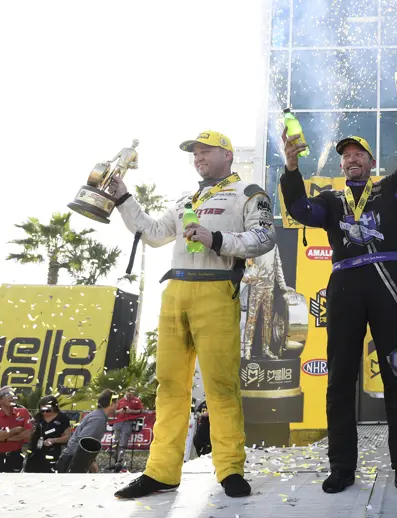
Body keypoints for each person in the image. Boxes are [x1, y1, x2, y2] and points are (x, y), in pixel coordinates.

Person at [108, 130, 277, 499]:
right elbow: (151, 233)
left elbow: (264, 237)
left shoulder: (248, 192)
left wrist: (215, 238)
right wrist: (122, 196)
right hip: (175, 291)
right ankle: (161, 471)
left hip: (216, 289)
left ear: (227, 155)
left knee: (220, 385)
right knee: (169, 386)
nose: (197, 156)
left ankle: (230, 468)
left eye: (205, 150)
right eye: (194, 152)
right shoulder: (187, 197)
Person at [279, 114, 397, 496]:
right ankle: (342, 467)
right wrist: (291, 166)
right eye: (345, 155)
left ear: (371, 161)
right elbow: (298, 209)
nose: (351, 159)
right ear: (341, 164)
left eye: (358, 153)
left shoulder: (391, 191)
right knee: (340, 379)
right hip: (344, 286)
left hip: (387, 286)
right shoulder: (331, 201)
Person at [57, 390, 117, 473]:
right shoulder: (98, 419)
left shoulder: (98, 415)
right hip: (72, 460)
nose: (117, 406)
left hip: (74, 458)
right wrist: (91, 462)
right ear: (112, 404)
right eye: (116, 403)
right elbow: (82, 441)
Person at [0, 386, 33, 473]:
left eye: (14, 394)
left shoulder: (23, 412)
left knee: (13, 485)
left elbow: (28, 435)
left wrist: (2, 436)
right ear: (0, 400)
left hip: (14, 457)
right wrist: (13, 431)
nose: (12, 396)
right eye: (8, 394)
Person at [25, 395, 72, 473]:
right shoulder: (38, 417)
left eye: (48, 410)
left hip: (52, 451)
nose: (45, 413)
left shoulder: (63, 418)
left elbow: (67, 436)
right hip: (35, 451)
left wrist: (54, 440)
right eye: (42, 410)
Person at [111, 388, 143, 468]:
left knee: (123, 442)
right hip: (118, 422)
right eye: (128, 393)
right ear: (126, 392)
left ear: (133, 394)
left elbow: (141, 411)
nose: (129, 395)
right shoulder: (121, 400)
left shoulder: (136, 400)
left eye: (131, 394)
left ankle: (119, 462)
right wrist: (120, 411)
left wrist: (131, 411)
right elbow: (114, 412)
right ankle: (114, 461)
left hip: (128, 422)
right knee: (115, 441)